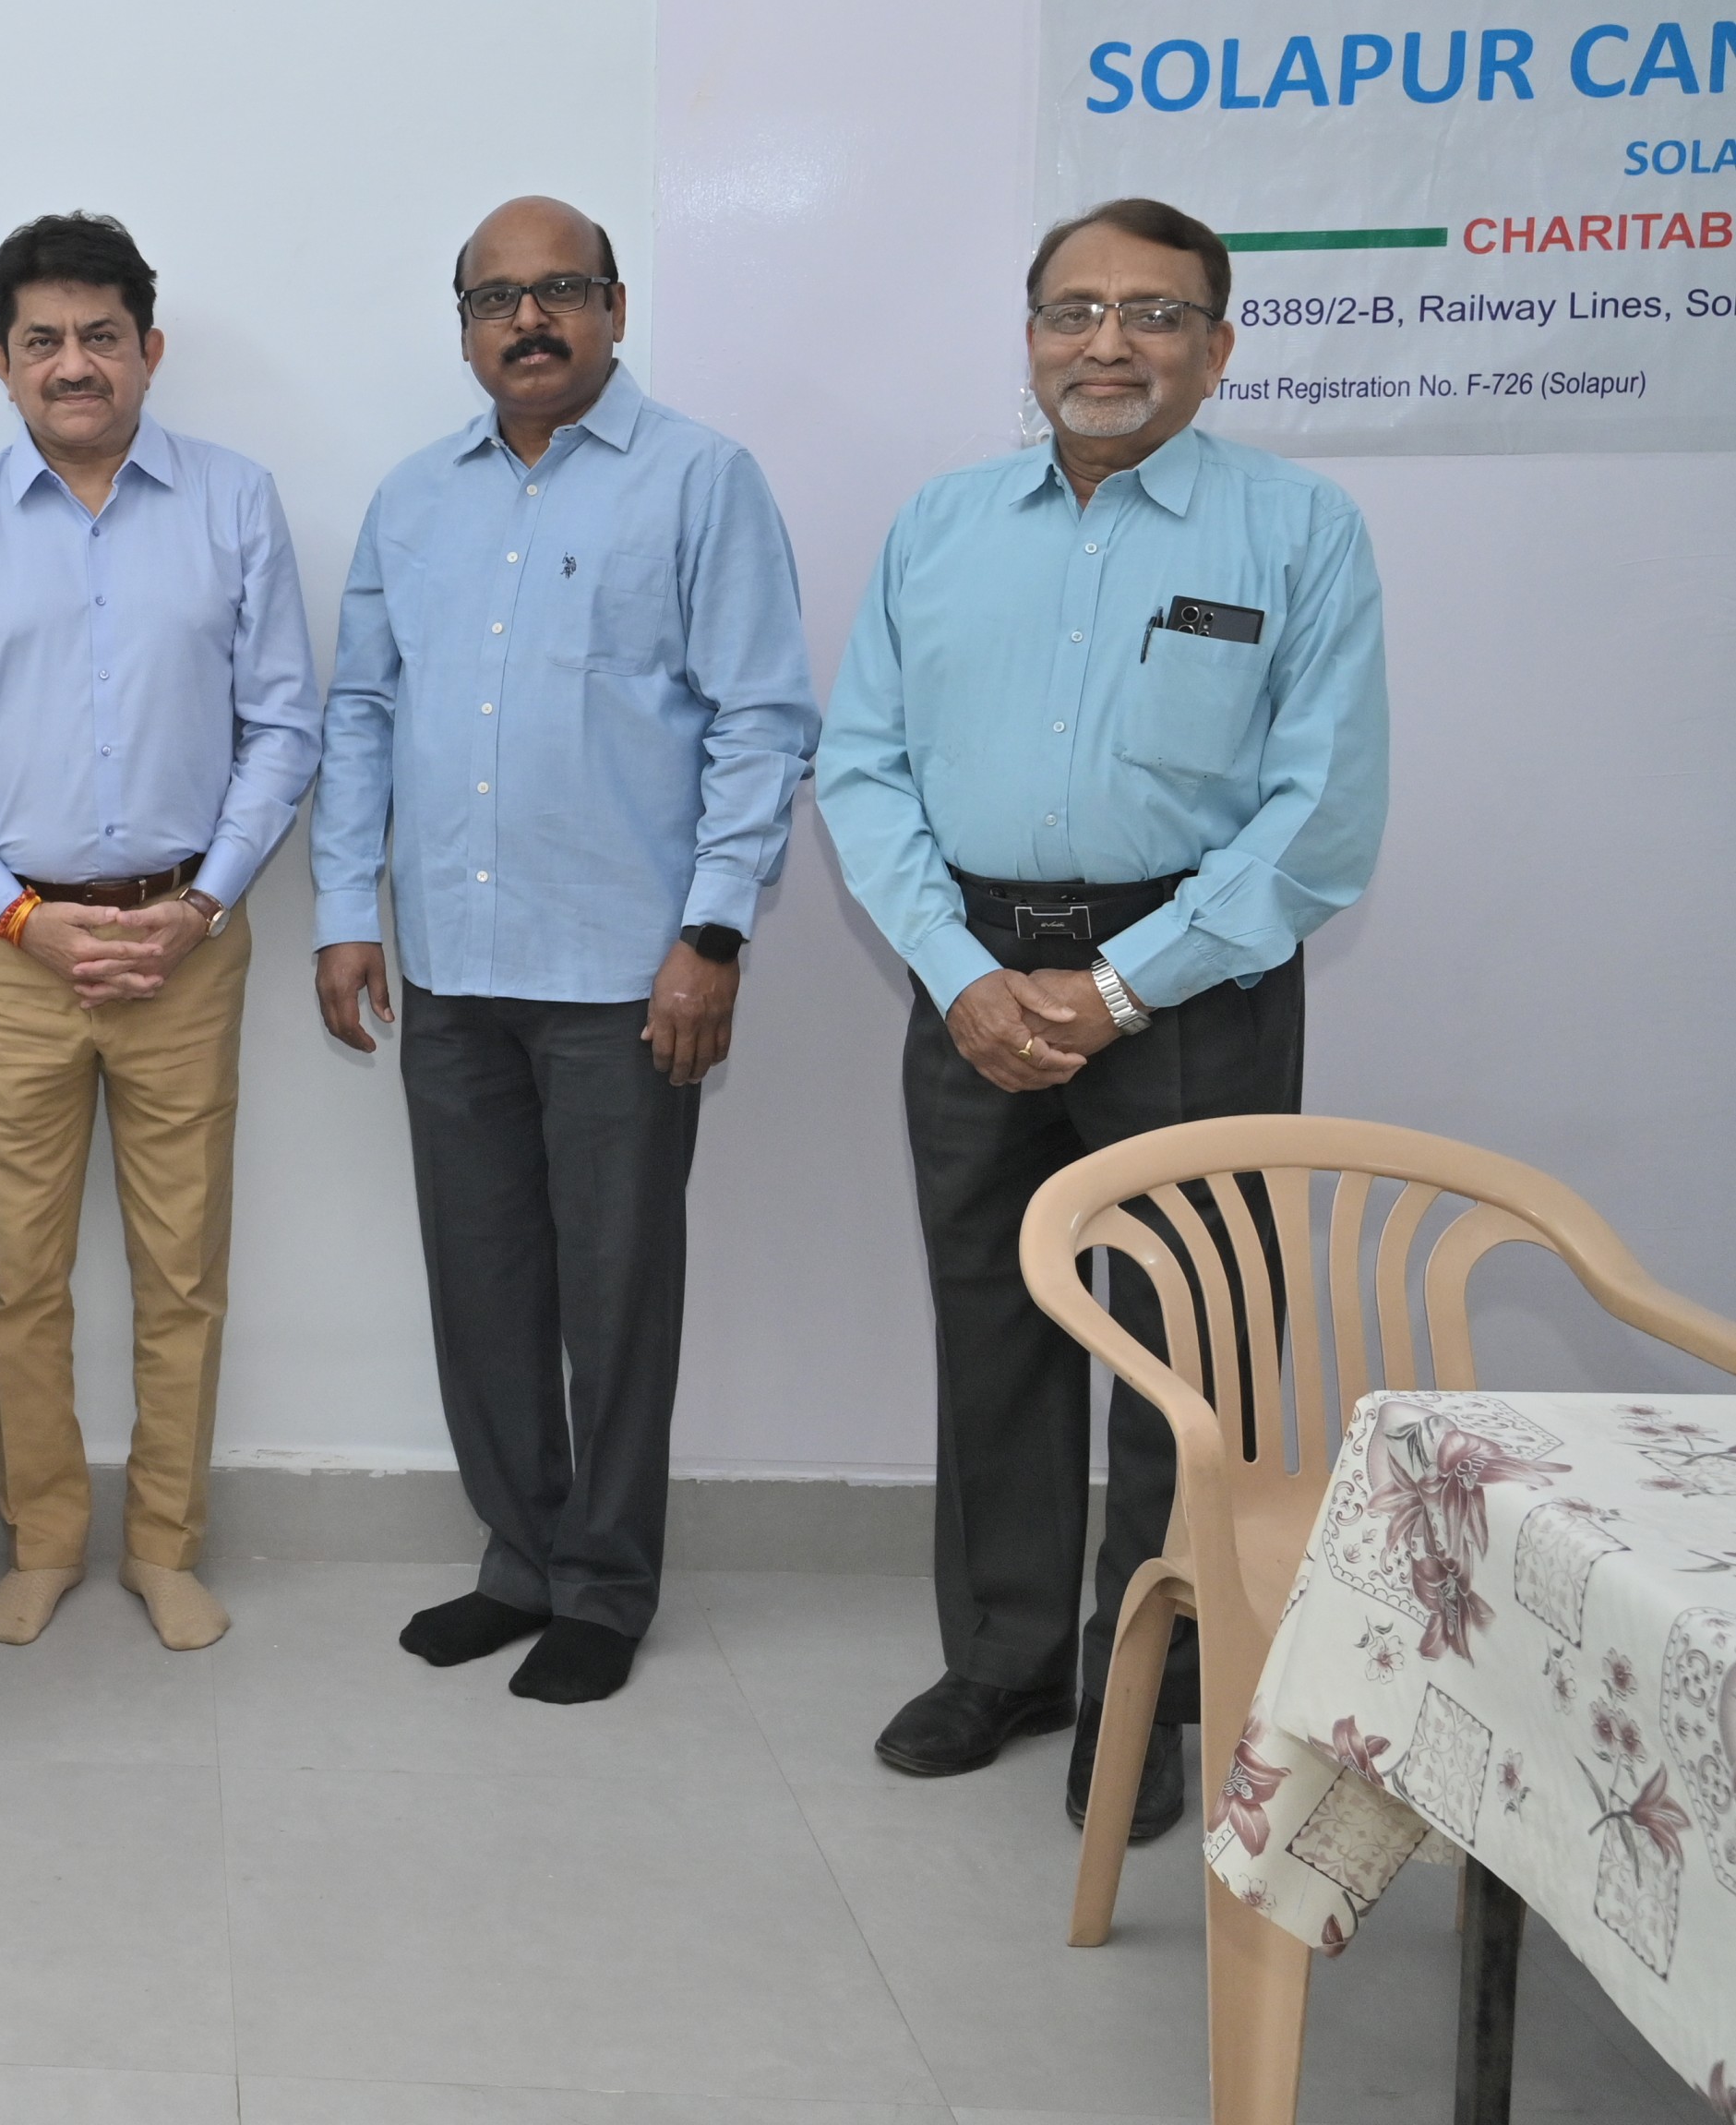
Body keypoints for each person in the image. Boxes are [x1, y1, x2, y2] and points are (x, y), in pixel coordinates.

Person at [817, 197, 1387, 1839]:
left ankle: (1151, 1697)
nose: (1107, 344)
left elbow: (1319, 815)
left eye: (1152, 314)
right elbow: (861, 767)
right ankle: (1001, 1660)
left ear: (1216, 347)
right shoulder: (939, 525)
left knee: (1182, 1364)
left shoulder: (1296, 529)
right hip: (970, 980)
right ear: (1029, 339)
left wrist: (1125, 983)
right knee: (991, 1330)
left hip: (1190, 989)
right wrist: (957, 972)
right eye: (1074, 311)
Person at [312, 197, 818, 1705]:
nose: (526, 321)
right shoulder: (414, 498)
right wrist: (345, 909)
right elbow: (362, 710)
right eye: (494, 299)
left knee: (614, 1297)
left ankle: (603, 1584)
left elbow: (761, 721)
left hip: (624, 974)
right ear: (463, 325)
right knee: (481, 1288)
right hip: (452, 963)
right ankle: (518, 1562)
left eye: (558, 292)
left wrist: (712, 933)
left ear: (613, 308)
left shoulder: (701, 479)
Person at [0, 210, 323, 1652]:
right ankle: (46, 1538)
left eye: (101, 337)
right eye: (44, 340)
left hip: (187, 940)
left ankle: (166, 1546)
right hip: (11, 951)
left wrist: (203, 904)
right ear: (1, 362)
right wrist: (20, 916)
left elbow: (284, 725)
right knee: (20, 1269)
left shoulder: (235, 504)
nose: (75, 364)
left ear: (149, 349)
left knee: (182, 1269)